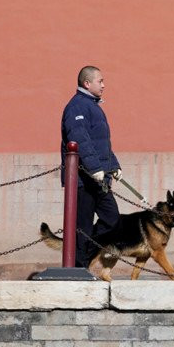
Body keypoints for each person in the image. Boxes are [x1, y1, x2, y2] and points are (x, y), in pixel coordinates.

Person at [60, 65, 122, 269]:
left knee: (113, 220)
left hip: (99, 179)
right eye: (100, 81)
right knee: (83, 226)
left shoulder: (93, 106)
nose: (104, 85)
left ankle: (85, 256)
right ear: (87, 83)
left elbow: (101, 143)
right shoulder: (77, 106)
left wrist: (114, 166)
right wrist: (94, 168)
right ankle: (79, 268)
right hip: (83, 180)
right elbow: (79, 139)